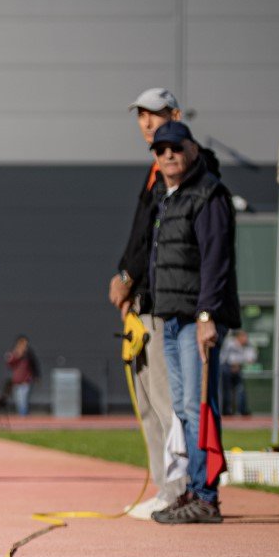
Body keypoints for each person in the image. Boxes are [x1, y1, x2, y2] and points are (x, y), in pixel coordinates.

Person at [144, 121, 240, 525]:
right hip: (170, 316)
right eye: (160, 149)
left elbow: (215, 261)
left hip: (195, 318)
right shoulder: (167, 198)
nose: (168, 155)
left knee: (198, 406)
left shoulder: (208, 194)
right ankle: (191, 489)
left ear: (193, 149)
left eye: (175, 147)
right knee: (182, 410)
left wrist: (206, 315)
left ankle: (206, 495)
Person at [107, 87, 196, 518]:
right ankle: (164, 486)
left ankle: (179, 489)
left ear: (175, 115)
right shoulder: (152, 171)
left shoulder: (182, 169)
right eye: (141, 116)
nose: (146, 123)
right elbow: (139, 237)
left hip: (164, 304)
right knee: (147, 405)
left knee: (165, 402)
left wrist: (127, 276)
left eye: (155, 115)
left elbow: (155, 243)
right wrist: (125, 280)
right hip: (142, 302)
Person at [220, 329, 257, 416]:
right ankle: (226, 410)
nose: (246, 339)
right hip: (226, 368)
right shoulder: (230, 343)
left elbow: (251, 358)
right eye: (244, 337)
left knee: (240, 390)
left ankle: (242, 410)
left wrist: (238, 364)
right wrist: (231, 365)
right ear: (239, 337)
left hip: (238, 368)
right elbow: (223, 356)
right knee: (227, 391)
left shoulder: (248, 345)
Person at [4, 335, 39, 417]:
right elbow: (10, 364)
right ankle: (22, 416)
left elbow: (34, 365)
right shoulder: (15, 354)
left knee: (23, 401)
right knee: (18, 401)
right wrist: (16, 355)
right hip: (16, 381)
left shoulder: (29, 354)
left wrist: (37, 376)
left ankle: (23, 418)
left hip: (25, 381)